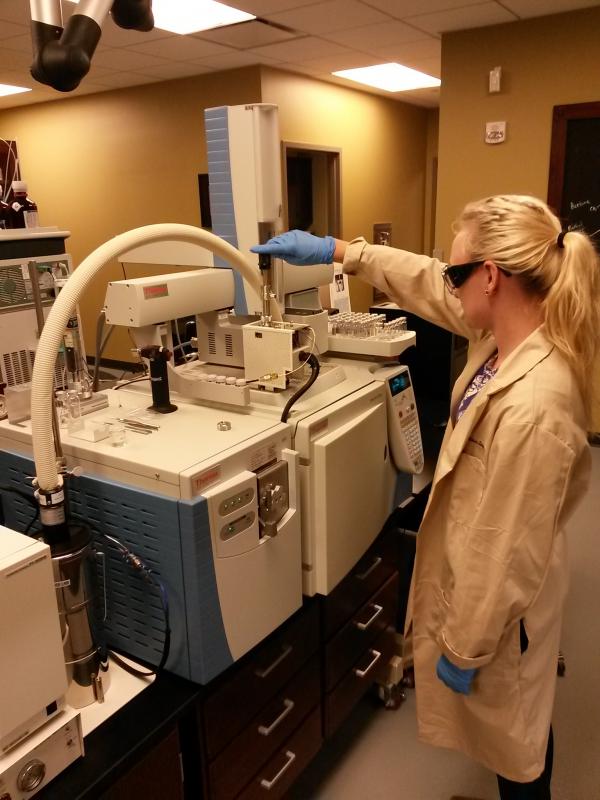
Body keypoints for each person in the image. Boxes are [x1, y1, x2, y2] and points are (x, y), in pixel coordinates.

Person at [252, 195, 600, 799]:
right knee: (519, 727)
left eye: (457, 271)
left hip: (502, 607)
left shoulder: (535, 405)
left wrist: (463, 648)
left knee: (518, 741)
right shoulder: (511, 332)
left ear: (491, 276)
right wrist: (342, 252)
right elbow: (426, 283)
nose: (446, 282)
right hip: (506, 588)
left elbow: (504, 551)